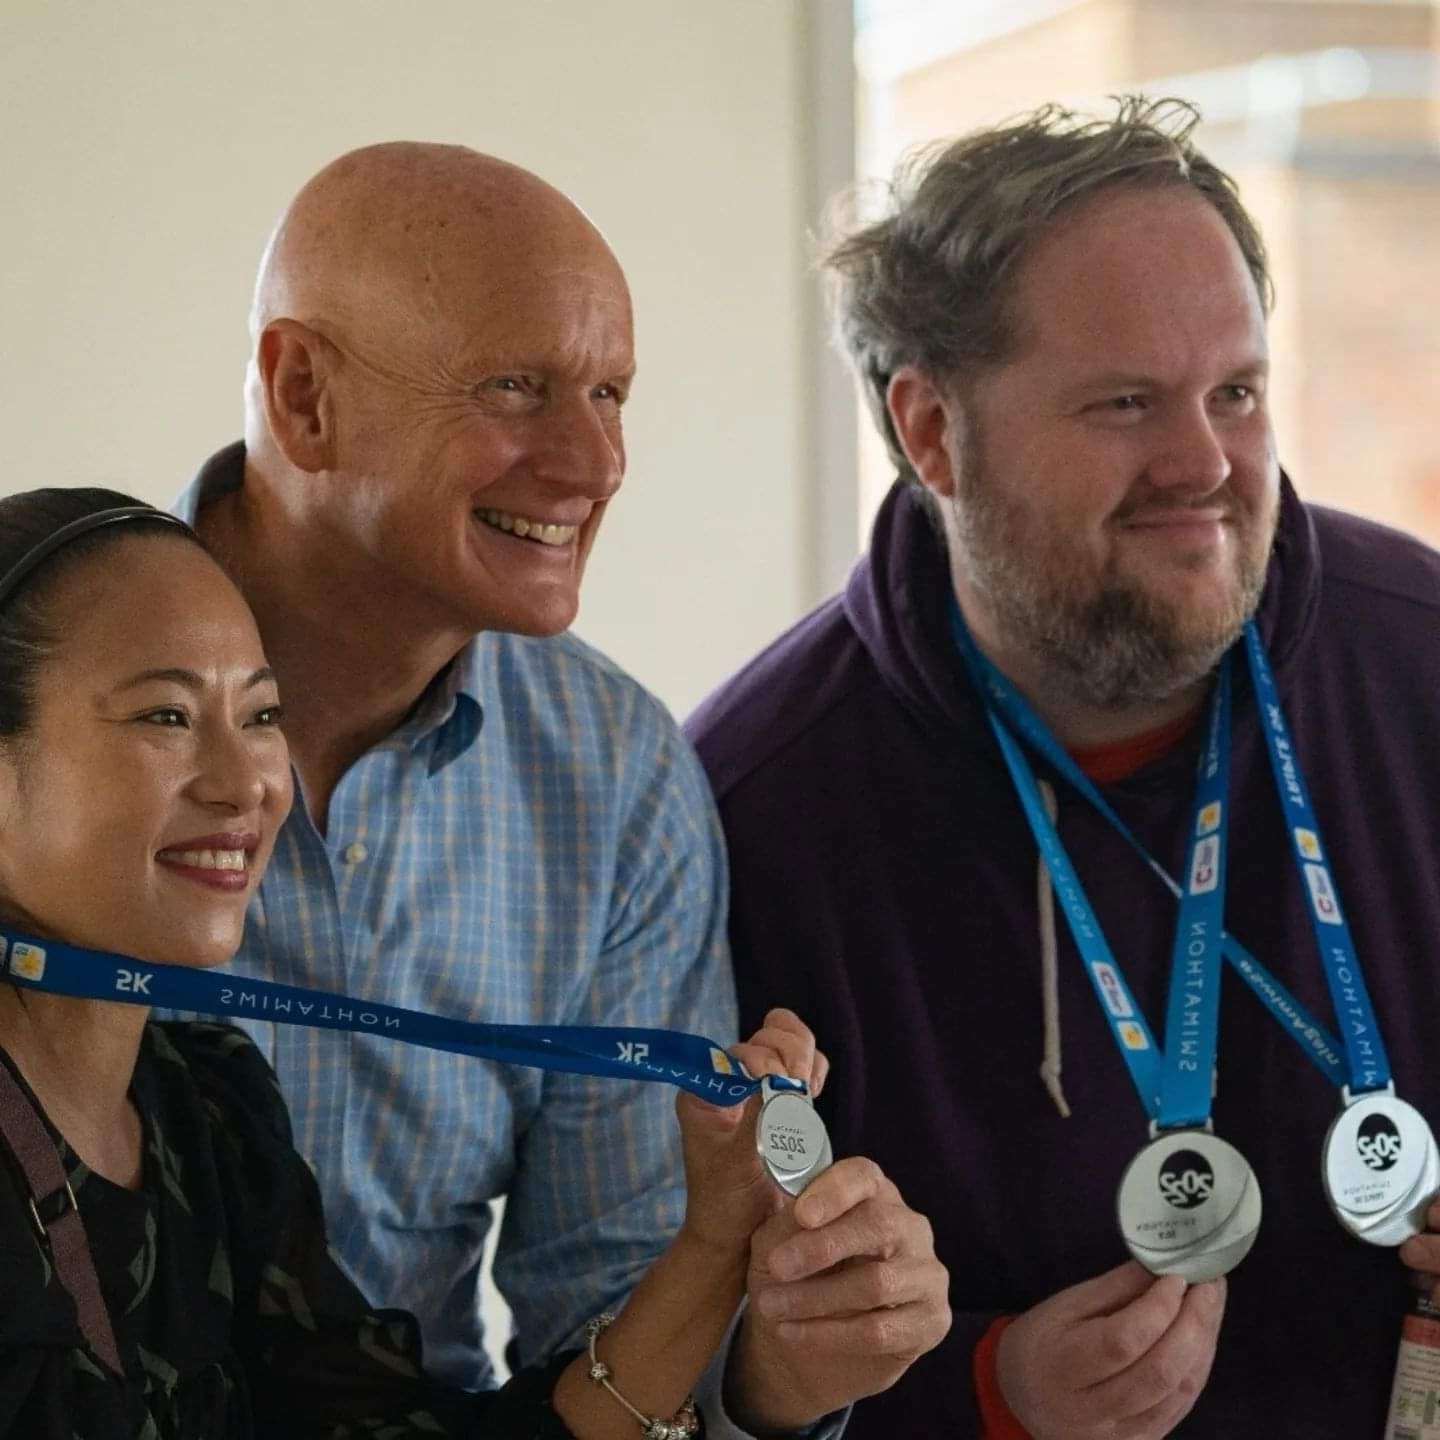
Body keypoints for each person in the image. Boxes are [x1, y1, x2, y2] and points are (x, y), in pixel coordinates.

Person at [686, 95, 1440, 1437]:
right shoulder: (753, 807)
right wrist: (982, 1388)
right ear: (931, 432)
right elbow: (701, 1355)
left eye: (1238, 393)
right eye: (1124, 404)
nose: (1203, 463)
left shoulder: (1422, 667)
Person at [176, 141, 950, 1430]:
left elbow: (620, 1306)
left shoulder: (617, 778)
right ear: (302, 394)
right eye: (517, 388)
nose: (596, 466)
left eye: (611, 394)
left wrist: (778, 1378)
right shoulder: (28, 694)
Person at [0, 486, 939, 1438]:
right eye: (164, 716)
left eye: (262, 714)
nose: (246, 781)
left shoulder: (211, 1109)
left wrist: (714, 1242)